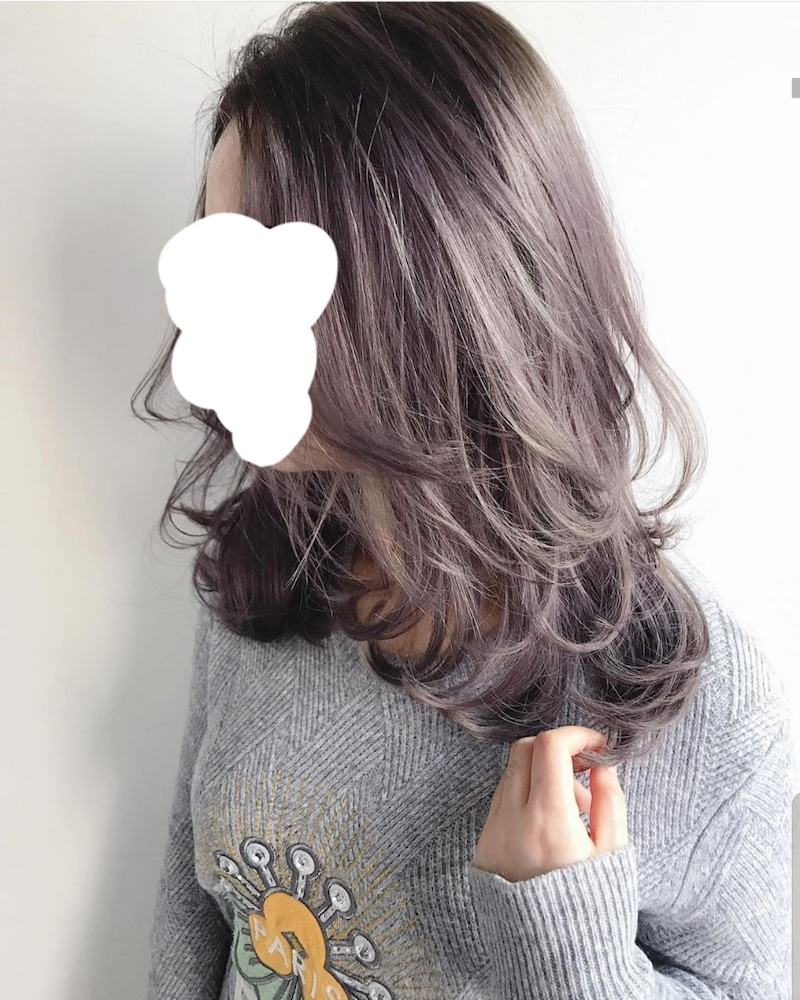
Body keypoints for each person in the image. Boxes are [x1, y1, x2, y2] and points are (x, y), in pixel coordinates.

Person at [133, 3, 794, 998]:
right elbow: (196, 911)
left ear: (442, 283)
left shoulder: (700, 699)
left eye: (259, 278)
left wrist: (574, 953)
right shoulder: (265, 577)